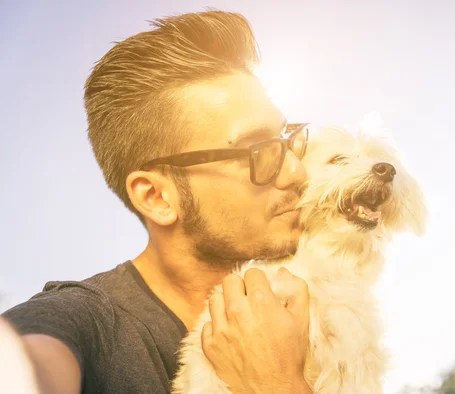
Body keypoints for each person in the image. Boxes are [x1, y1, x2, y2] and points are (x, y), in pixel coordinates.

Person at [2, 10, 313, 394]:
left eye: (286, 140)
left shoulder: (306, 309)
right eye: (255, 151)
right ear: (157, 197)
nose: (297, 172)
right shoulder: (81, 322)